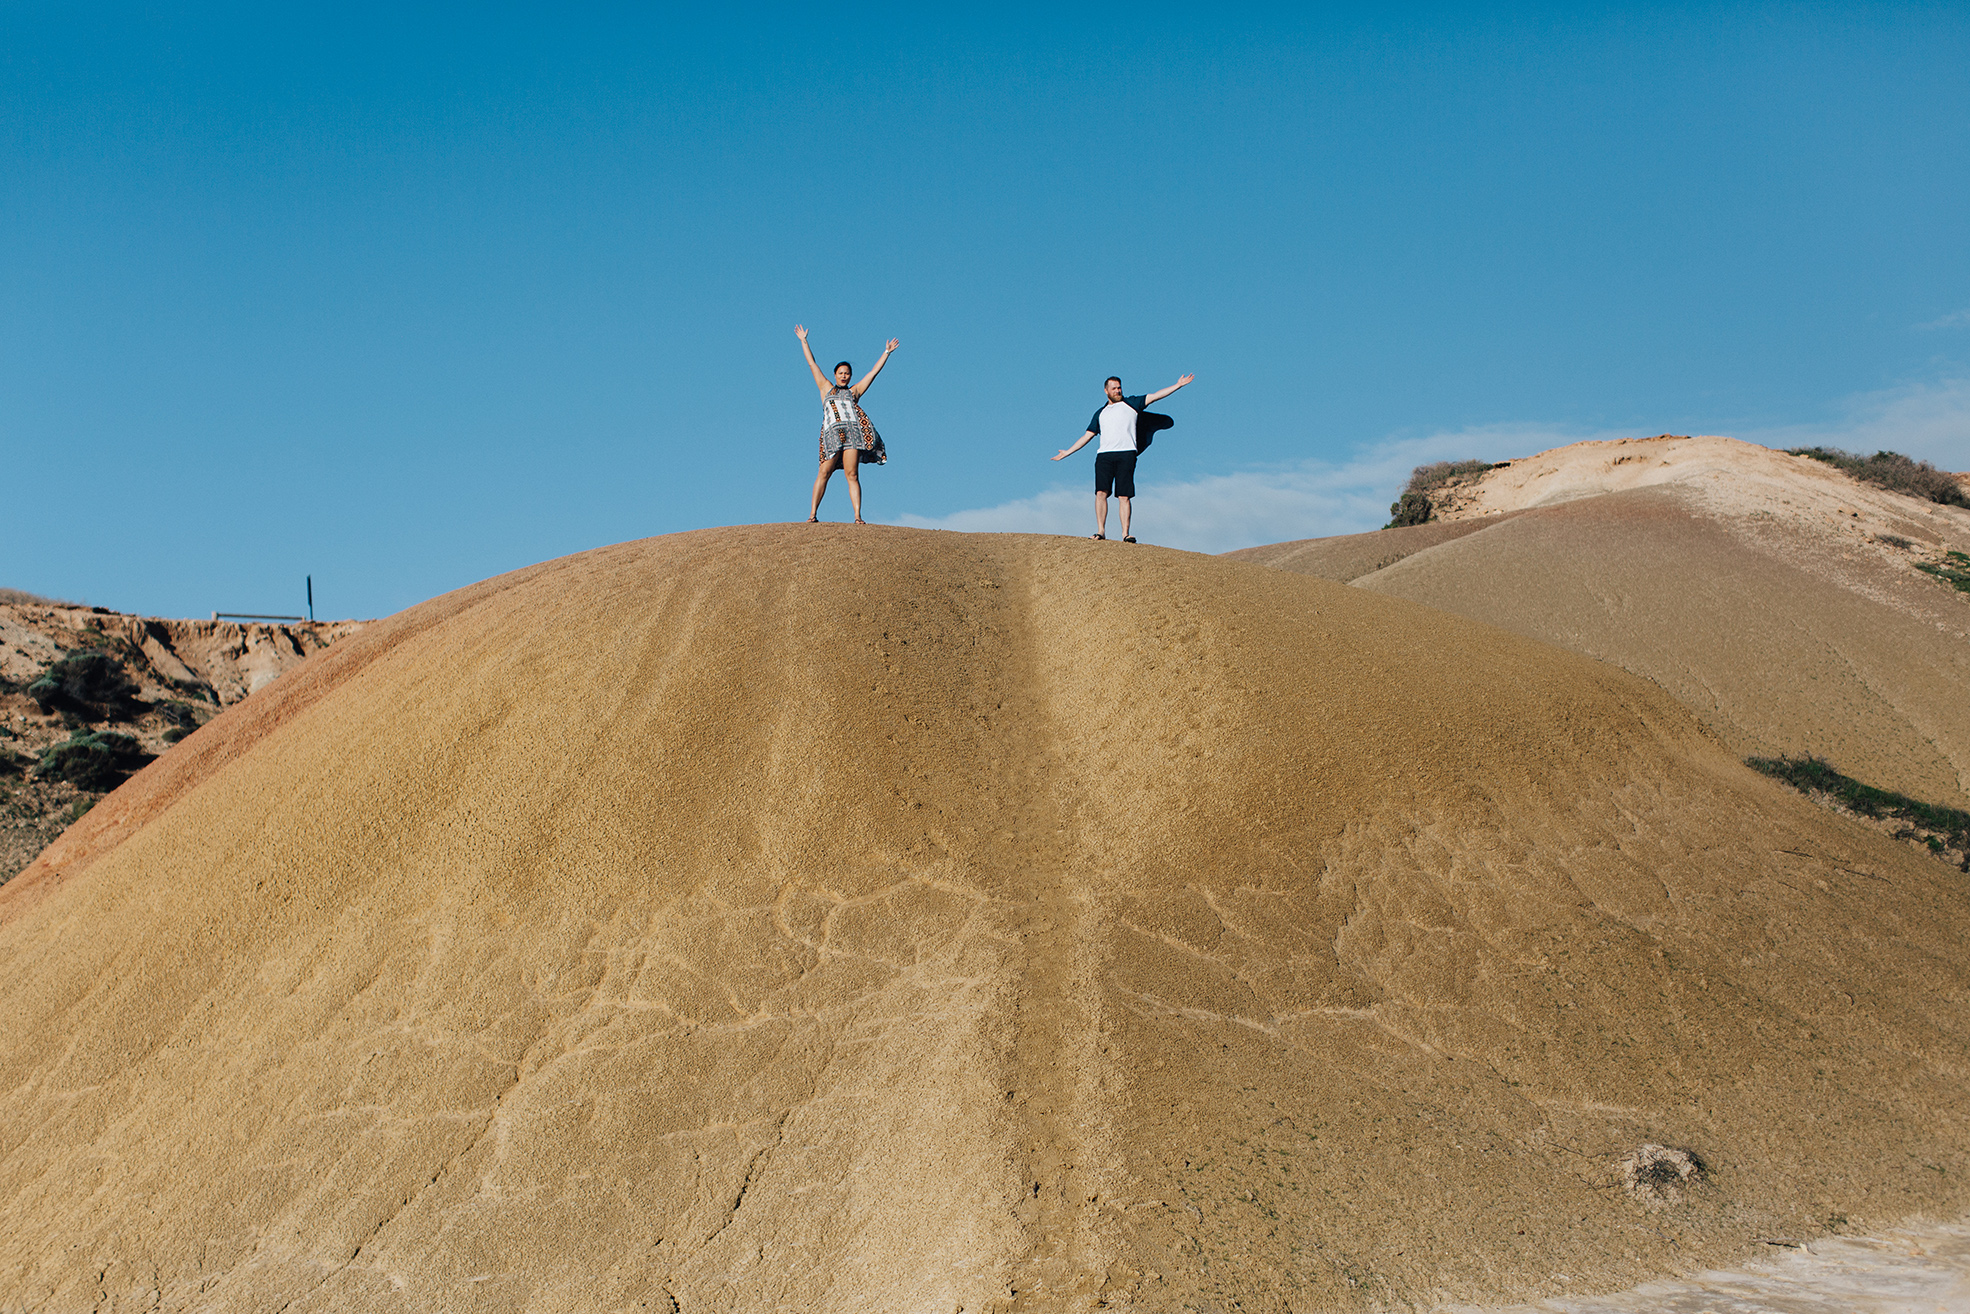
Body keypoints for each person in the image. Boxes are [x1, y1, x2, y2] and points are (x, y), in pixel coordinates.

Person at [1051, 372, 1194, 541]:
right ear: (1106, 391)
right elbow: (1087, 436)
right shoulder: (1100, 413)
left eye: (1119, 388)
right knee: (1101, 493)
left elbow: (1155, 396)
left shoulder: (1132, 403)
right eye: (1114, 388)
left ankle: (1125, 534)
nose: (1118, 391)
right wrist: (1067, 452)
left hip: (1126, 454)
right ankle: (1101, 531)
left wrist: (1178, 385)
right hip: (1104, 456)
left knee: (1124, 495)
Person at [798, 324, 898, 524]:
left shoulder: (855, 392)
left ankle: (857, 516)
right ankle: (812, 514)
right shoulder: (825, 387)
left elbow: (872, 373)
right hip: (832, 435)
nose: (844, 376)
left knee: (852, 474)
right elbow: (812, 364)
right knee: (824, 472)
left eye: (847, 373)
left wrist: (886, 353)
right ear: (835, 374)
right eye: (841, 373)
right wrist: (804, 341)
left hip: (853, 436)